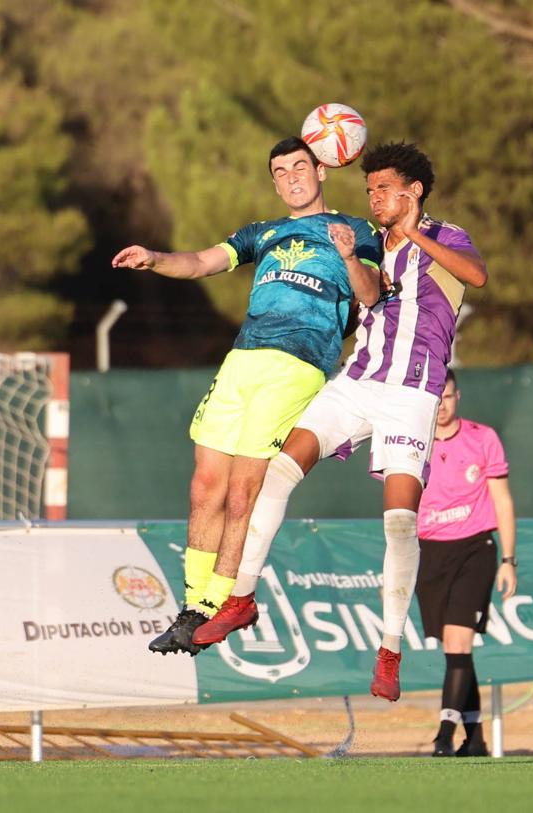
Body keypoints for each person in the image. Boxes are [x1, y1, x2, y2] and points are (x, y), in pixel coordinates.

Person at [190, 142, 488, 704]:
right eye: (369, 189)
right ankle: (242, 598)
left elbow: (477, 275)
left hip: (412, 395)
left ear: (413, 191)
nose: (374, 197)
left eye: (385, 188)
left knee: (400, 523)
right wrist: (350, 262)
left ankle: (390, 647)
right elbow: (365, 300)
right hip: (357, 383)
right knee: (278, 472)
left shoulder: (446, 235)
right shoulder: (371, 244)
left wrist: (413, 233)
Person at [111, 136, 381, 655]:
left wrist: (349, 256)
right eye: (280, 172)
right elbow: (201, 262)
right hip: (242, 360)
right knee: (204, 485)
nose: (291, 178)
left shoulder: (355, 230)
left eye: (300, 167)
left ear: (322, 171)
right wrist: (153, 258)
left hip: (297, 363)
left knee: (243, 491)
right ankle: (193, 607)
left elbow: (370, 293)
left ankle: (220, 607)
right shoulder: (265, 233)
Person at [415, 368, 517, 757]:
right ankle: (474, 739)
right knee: (454, 649)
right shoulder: (412, 444)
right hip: (430, 552)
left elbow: (503, 500)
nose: (441, 406)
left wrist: (509, 559)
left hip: (475, 548)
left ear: (459, 397)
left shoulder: (483, 438)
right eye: (435, 398)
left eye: (448, 397)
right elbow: (401, 507)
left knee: (459, 640)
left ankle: (443, 734)